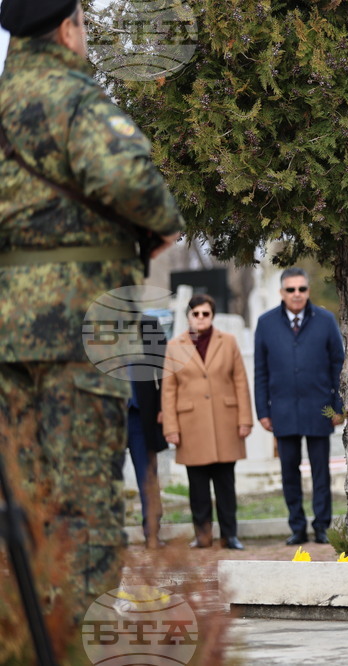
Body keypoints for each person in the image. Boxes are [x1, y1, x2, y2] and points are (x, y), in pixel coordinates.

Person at [0, 0, 183, 632]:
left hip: (6, 334)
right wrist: (161, 225)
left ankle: (26, 640)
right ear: (67, 28)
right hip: (79, 326)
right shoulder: (74, 97)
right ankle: (80, 643)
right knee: (86, 504)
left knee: (23, 501)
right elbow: (127, 177)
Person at [255, 267, 345, 545]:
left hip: (319, 409)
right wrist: (263, 411)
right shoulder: (266, 323)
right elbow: (260, 371)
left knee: (321, 472)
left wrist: (338, 406)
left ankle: (322, 526)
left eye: (301, 289)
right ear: (282, 292)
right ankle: (297, 526)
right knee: (289, 473)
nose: (297, 294)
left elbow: (338, 366)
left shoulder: (325, 320)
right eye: (291, 289)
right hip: (282, 410)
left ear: (308, 291)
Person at [162, 295, 253, 550]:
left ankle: (229, 535)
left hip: (225, 422)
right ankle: (202, 535)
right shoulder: (174, 346)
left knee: (226, 484)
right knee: (198, 486)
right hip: (190, 425)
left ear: (212, 316)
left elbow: (240, 382)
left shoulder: (228, 342)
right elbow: (168, 390)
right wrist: (171, 427)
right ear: (188, 316)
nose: (201, 318)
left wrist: (245, 419)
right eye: (196, 314)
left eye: (206, 314)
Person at [126, 314, 170, 549]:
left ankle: (152, 533)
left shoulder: (149, 325)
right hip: (105, 416)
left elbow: (165, 369)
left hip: (141, 414)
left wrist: (162, 407)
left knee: (147, 476)